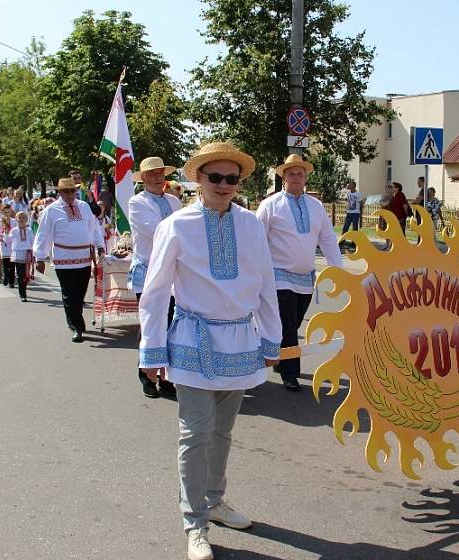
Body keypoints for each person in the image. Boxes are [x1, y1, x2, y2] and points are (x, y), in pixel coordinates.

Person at [138, 142, 281, 560]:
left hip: (239, 340)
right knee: (194, 433)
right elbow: (156, 290)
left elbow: (265, 283)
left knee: (223, 431)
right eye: (215, 177)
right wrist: (152, 350)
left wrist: (271, 337)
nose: (223, 185)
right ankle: (194, 522)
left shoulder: (252, 225)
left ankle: (215, 501)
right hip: (192, 340)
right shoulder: (177, 225)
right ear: (198, 179)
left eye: (231, 178)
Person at [257, 154, 343, 392]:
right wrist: (256, 273)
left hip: (306, 278)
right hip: (278, 276)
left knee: (291, 325)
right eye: (291, 173)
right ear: (283, 177)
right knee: (286, 326)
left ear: (306, 177)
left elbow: (327, 238)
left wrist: (339, 271)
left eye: (300, 173)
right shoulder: (270, 205)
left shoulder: (315, 206)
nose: (296, 177)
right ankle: (290, 373)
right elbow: (256, 239)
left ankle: (280, 357)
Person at [128, 156, 183, 398]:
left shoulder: (173, 201)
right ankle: (147, 374)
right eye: (151, 174)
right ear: (144, 178)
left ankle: (167, 376)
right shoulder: (137, 202)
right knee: (151, 324)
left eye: (159, 173)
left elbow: (182, 230)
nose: (157, 177)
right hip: (149, 271)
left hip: (172, 271)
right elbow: (156, 230)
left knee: (171, 324)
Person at [33, 177, 105, 343]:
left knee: (79, 294)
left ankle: (76, 321)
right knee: (69, 295)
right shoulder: (51, 210)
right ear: (60, 192)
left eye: (73, 190)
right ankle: (76, 327)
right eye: (66, 191)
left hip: (84, 258)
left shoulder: (84, 206)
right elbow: (43, 234)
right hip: (63, 259)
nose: (70, 194)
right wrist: (39, 257)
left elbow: (93, 227)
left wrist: (100, 245)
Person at [10, 211, 35, 302]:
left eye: (23, 217)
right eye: (19, 217)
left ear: (27, 220)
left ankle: (23, 290)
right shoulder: (13, 230)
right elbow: (8, 240)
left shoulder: (29, 230)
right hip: (18, 255)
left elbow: (33, 241)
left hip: (27, 254)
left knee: (26, 275)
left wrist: (34, 253)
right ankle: (23, 294)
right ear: (16, 219)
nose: (21, 219)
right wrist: (3, 236)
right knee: (20, 275)